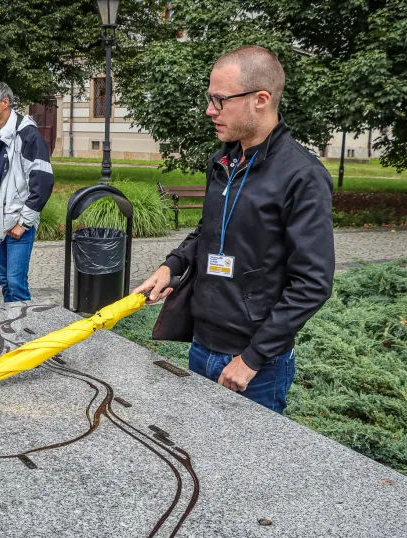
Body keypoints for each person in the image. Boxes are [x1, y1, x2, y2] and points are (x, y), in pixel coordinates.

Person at [134, 46, 335, 414]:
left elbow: (313, 283)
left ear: (261, 99)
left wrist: (252, 359)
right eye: (210, 98)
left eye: (220, 100)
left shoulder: (303, 176)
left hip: (255, 366)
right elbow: (207, 231)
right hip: (201, 346)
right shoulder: (223, 160)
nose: (210, 110)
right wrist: (172, 266)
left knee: (246, 470)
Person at [0, 82, 54, 302]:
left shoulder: (28, 136)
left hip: (17, 225)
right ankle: (9, 329)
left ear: (5, 102)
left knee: (16, 284)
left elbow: (42, 183)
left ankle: (24, 331)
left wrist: (23, 224)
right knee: (6, 283)